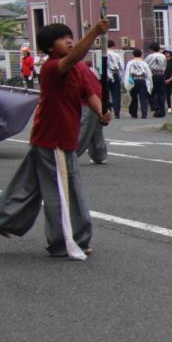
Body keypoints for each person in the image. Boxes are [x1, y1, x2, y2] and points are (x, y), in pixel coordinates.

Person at [0, 20, 111, 260]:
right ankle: (67, 240)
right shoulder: (52, 68)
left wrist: (101, 112)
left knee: (27, 185)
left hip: (53, 138)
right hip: (54, 140)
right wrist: (94, 32)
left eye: (71, 37)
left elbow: (89, 93)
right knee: (64, 192)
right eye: (63, 38)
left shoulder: (77, 69)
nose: (69, 41)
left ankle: (4, 218)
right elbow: (73, 57)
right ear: (50, 48)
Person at [124, 48, 152, 119]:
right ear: (141, 54)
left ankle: (134, 113)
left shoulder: (130, 63)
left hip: (133, 80)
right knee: (143, 98)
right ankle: (144, 113)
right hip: (142, 80)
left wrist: (126, 83)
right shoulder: (144, 63)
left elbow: (127, 73)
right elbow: (148, 74)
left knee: (133, 98)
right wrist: (149, 83)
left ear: (133, 54)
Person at [145, 42, 167, 117]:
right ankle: (162, 112)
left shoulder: (149, 56)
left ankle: (156, 108)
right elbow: (165, 66)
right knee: (161, 94)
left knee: (150, 93)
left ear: (151, 49)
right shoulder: (163, 56)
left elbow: (145, 66)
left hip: (152, 75)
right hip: (161, 75)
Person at [105, 40, 125, 118]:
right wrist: (121, 78)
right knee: (116, 94)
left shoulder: (103, 55)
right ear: (113, 46)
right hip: (115, 74)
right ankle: (117, 112)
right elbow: (121, 67)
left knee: (106, 94)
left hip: (106, 75)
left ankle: (107, 110)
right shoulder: (117, 55)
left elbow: (100, 66)